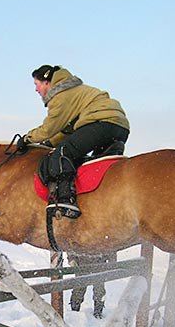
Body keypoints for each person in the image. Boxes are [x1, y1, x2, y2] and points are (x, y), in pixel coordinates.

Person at [18, 65, 130, 219]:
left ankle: (66, 200)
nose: (36, 90)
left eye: (36, 84)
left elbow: (50, 128)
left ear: (46, 82)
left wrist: (27, 139)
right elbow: (68, 130)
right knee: (95, 168)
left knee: (62, 154)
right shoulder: (75, 92)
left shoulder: (60, 95)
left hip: (101, 123)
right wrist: (49, 144)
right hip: (119, 126)